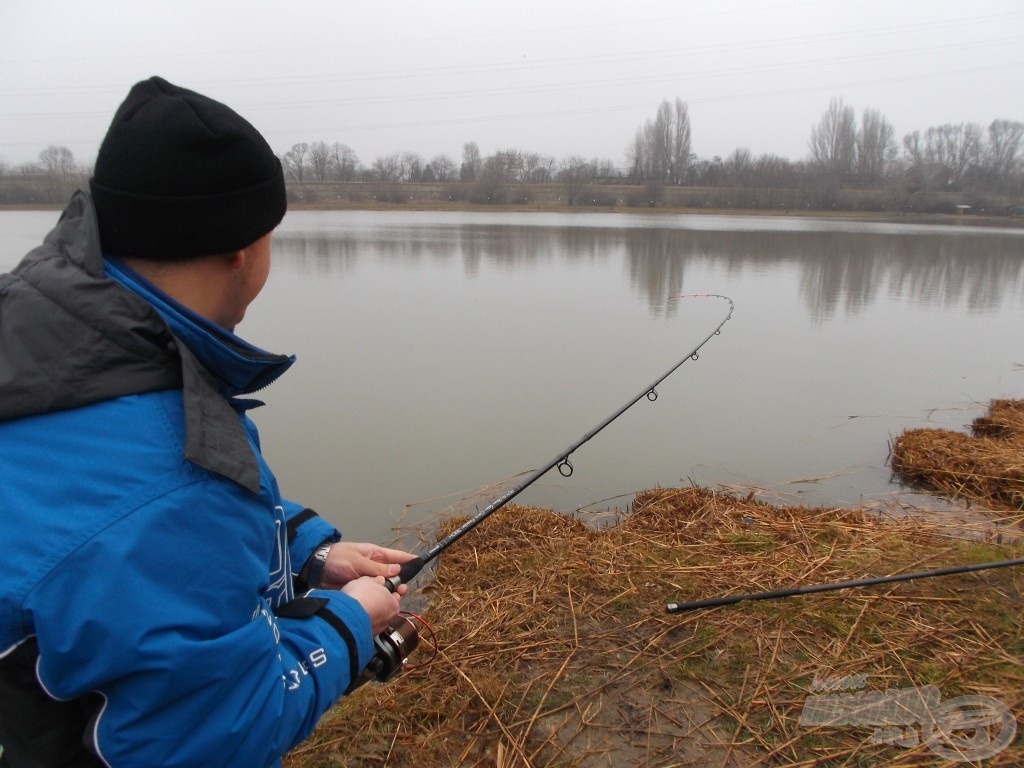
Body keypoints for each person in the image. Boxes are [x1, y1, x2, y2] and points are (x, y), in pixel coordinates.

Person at [0, 76, 414, 767]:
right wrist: (353, 623)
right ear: (243, 251)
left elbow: (98, 521)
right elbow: (222, 729)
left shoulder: (45, 350)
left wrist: (309, 552)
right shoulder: (174, 477)